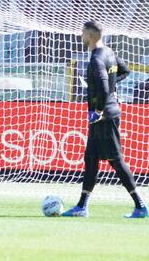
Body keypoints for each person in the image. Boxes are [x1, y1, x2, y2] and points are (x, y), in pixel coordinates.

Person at [61, 20, 147, 218]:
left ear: (90, 36)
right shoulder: (109, 52)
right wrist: (109, 88)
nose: (81, 36)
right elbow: (124, 71)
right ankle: (82, 206)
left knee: (116, 160)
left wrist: (98, 109)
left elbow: (104, 88)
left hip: (104, 116)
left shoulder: (96, 59)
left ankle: (141, 206)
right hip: (106, 113)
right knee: (90, 157)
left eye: (83, 33)